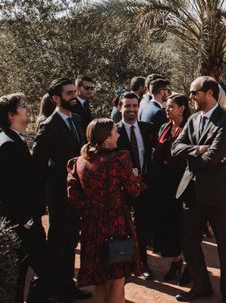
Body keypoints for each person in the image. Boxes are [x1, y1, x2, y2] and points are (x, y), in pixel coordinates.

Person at [171, 76, 226, 303]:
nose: (190, 96)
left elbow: (212, 158)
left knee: (225, 246)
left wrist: (193, 157)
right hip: (192, 193)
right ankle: (202, 286)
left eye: (194, 92)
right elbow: (175, 148)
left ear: (209, 93)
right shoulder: (193, 120)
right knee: (188, 243)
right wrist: (198, 149)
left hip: (219, 195)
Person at [67, 119, 143, 303]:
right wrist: (135, 178)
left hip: (92, 227)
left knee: (99, 280)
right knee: (117, 280)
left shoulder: (78, 162)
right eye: (116, 131)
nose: (118, 134)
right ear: (107, 137)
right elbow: (134, 191)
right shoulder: (120, 159)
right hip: (117, 225)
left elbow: (73, 197)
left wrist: (92, 211)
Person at [32, 78, 90, 301]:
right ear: (56, 98)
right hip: (58, 195)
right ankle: (51, 290)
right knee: (57, 243)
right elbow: (38, 165)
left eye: (74, 91)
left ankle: (67, 286)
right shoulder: (48, 126)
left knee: (70, 241)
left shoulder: (77, 119)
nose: (74, 96)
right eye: (69, 93)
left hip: (78, 194)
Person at [0, 93, 49, 303]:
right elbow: (7, 190)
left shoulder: (14, 138)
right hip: (23, 223)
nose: (28, 108)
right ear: (11, 115)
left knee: (26, 273)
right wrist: (26, 220)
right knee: (37, 270)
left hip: (27, 220)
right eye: (22, 106)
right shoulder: (8, 144)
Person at [116, 92, 158, 280]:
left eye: (134, 106)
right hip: (121, 190)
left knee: (142, 226)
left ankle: (142, 263)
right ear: (120, 108)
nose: (131, 110)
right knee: (121, 228)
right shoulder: (113, 132)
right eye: (128, 106)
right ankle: (121, 266)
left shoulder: (148, 128)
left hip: (144, 187)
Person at [152, 93, 190, 282]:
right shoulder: (163, 127)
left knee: (184, 227)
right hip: (164, 187)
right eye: (166, 107)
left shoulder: (190, 129)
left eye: (171, 107)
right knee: (170, 226)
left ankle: (189, 265)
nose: (166, 110)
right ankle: (176, 261)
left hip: (183, 185)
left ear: (182, 108)